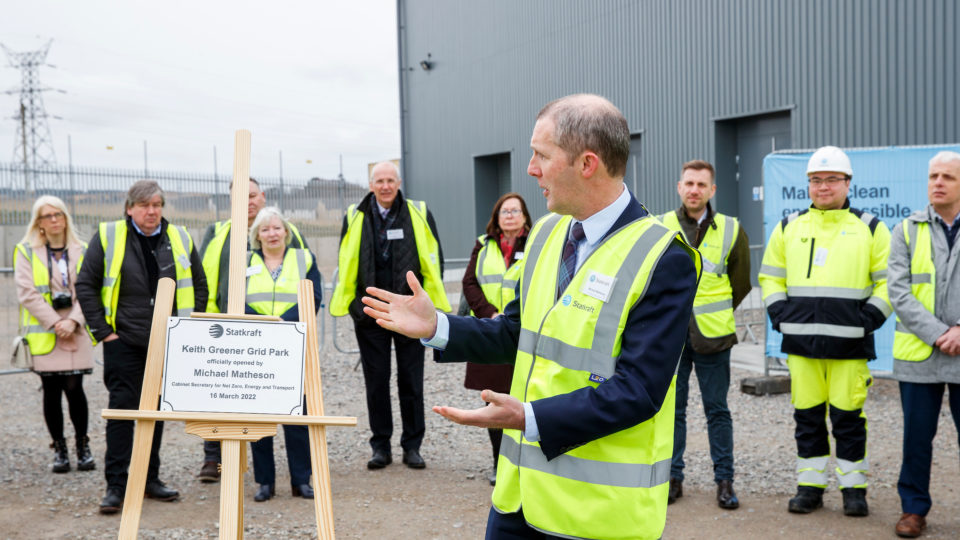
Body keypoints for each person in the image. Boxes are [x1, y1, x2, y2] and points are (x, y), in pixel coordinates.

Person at [361, 94, 699, 540]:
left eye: (541, 155)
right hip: (517, 500)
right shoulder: (546, 234)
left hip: (596, 516)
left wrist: (528, 418)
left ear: (587, 163)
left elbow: (638, 391)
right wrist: (438, 327)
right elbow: (517, 331)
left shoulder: (662, 256)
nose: (530, 169)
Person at [759, 145, 891, 517]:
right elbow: (770, 276)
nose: (823, 187)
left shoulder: (870, 228)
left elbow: (888, 283)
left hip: (850, 347)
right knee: (808, 418)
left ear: (848, 183)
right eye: (816, 180)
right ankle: (810, 487)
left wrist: (869, 320)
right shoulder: (789, 227)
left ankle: (854, 490)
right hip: (801, 346)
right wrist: (780, 315)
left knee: (848, 420)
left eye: (832, 179)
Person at [76, 179, 207, 514]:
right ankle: (116, 486)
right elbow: (86, 284)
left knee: (156, 413)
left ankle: (149, 479)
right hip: (124, 341)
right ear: (129, 208)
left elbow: (200, 285)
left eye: (157, 205)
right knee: (122, 412)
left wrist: (189, 330)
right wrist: (104, 332)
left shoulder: (179, 237)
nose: (152, 212)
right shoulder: (108, 236)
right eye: (145, 205)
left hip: (169, 341)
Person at [330, 161, 450, 471]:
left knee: (411, 380)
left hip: (409, 314)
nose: (385, 186)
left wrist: (424, 302)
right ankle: (380, 446)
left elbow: (435, 257)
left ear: (398, 183)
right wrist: (357, 307)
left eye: (390, 180)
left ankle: (413, 446)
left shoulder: (418, 213)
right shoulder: (355, 216)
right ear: (371, 185)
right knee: (376, 381)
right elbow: (347, 261)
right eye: (379, 181)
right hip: (370, 312)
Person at [195, 177, 309, 483]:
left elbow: (304, 273)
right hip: (225, 328)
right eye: (240, 197)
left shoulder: (289, 231)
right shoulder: (218, 233)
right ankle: (214, 456)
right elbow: (203, 278)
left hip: (282, 333)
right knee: (220, 394)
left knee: (274, 397)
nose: (248, 202)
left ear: (262, 195)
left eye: (253, 195)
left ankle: (292, 472)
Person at [658, 159, 751, 510]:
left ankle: (724, 482)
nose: (694, 190)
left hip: (714, 337)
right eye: (689, 183)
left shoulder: (731, 229)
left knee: (717, 410)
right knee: (673, 411)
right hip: (671, 337)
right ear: (679, 187)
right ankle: (672, 477)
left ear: (712, 191)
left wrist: (717, 310)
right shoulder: (661, 226)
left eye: (702, 185)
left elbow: (741, 283)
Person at [888, 151, 960, 538]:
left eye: (947, 176)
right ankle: (913, 509)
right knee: (917, 438)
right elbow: (898, 292)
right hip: (920, 354)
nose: (938, 182)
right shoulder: (907, 229)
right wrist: (938, 333)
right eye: (933, 175)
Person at [244, 207, 322, 501]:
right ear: (257, 235)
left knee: (297, 415)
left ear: (286, 232)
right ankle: (265, 482)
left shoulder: (303, 258)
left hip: (292, 343)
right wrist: (261, 326)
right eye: (265, 229)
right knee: (259, 415)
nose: (272, 234)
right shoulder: (245, 262)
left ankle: (301, 480)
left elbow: (313, 296)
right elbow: (236, 299)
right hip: (256, 347)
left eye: (277, 228)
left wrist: (284, 325)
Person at [15, 196, 96, 474]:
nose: (53, 220)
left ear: (65, 217)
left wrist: (73, 320)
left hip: (76, 327)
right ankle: (59, 449)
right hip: (46, 332)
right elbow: (27, 293)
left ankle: (83, 447)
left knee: (75, 389)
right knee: (51, 390)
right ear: (38, 222)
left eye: (58, 214)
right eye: (47, 216)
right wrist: (55, 322)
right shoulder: (25, 251)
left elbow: (89, 289)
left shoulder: (82, 249)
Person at [460, 192, 531, 485]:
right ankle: (499, 462)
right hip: (490, 332)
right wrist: (489, 313)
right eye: (505, 211)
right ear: (497, 217)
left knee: (526, 400)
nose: (510, 215)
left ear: (525, 216)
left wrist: (514, 315)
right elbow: (470, 282)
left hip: (523, 332)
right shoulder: (484, 244)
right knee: (494, 401)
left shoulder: (539, 243)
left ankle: (526, 464)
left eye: (515, 211)